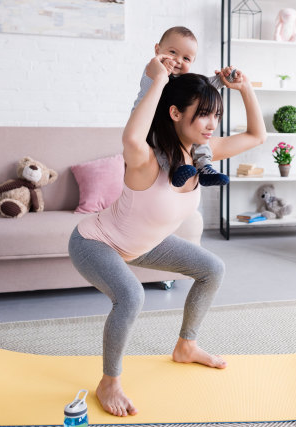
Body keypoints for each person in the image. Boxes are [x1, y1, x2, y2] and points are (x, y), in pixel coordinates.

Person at [68, 54, 266, 417]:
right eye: (203, 114)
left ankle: (186, 347)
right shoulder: (145, 160)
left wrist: (245, 88)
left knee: (212, 269)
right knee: (130, 296)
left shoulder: (204, 154)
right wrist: (158, 79)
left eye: (215, 116)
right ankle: (109, 381)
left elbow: (257, 136)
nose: (211, 125)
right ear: (175, 113)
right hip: (96, 242)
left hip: (143, 245)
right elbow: (131, 134)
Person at [134, 26, 231, 187]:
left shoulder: (183, 80)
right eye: (172, 52)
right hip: (151, 124)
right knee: (160, 142)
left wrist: (222, 78)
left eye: (186, 59)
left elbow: (203, 86)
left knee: (199, 136)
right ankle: (175, 168)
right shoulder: (152, 71)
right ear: (158, 49)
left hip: (173, 123)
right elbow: (150, 91)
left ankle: (205, 168)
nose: (178, 60)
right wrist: (160, 74)